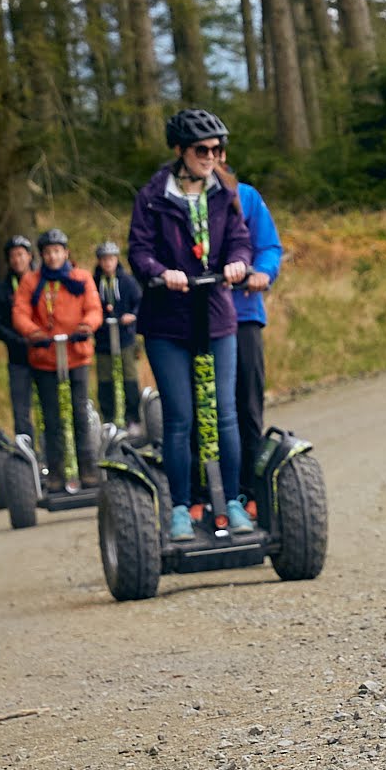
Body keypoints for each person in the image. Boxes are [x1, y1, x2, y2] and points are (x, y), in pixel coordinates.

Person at [126, 108, 255, 540]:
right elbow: (139, 251)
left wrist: (238, 262)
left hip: (216, 315)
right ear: (180, 151)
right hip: (168, 322)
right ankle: (182, 507)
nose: (212, 156)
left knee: (224, 413)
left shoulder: (224, 192)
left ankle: (232, 500)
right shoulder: (152, 197)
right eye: (203, 149)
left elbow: (239, 238)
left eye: (218, 149)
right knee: (179, 418)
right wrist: (162, 273)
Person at [11, 228, 105, 493]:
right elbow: (20, 312)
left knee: (79, 413)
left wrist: (86, 326)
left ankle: (87, 469)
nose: (53, 256)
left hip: (76, 355)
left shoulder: (81, 278)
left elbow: (94, 308)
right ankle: (56, 473)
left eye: (57, 251)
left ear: (66, 252)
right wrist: (33, 332)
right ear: (42, 255)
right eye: (48, 252)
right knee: (51, 418)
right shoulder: (31, 281)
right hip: (45, 357)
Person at [222, 152, 287, 450]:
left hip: (243, 312)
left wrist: (262, 272)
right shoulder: (183, 201)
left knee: (247, 398)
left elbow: (269, 246)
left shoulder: (245, 196)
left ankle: (249, 483)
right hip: (198, 315)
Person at [0, 234, 38, 454]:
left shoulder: (42, 282)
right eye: (13, 256)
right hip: (17, 357)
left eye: (21, 255)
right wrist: (16, 340)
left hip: (45, 356)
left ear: (29, 256)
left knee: (50, 407)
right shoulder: (2, 289)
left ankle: (54, 456)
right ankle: (28, 454)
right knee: (21, 410)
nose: (17, 260)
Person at [91, 239, 142, 437]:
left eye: (111, 259)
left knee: (129, 377)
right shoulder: (94, 283)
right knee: (105, 379)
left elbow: (139, 302)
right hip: (103, 340)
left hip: (125, 338)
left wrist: (132, 316)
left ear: (116, 259)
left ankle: (133, 418)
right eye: (104, 259)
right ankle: (109, 418)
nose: (107, 263)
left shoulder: (127, 281)